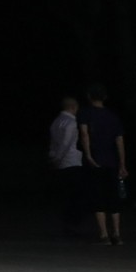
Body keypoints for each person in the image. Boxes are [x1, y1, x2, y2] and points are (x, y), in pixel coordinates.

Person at [78, 83, 128, 245]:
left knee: (98, 196)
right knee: (114, 197)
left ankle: (104, 234)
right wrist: (122, 163)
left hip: (96, 159)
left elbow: (84, 134)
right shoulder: (113, 116)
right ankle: (117, 234)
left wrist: (88, 155)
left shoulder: (85, 113)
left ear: (89, 96)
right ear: (105, 97)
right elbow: (119, 140)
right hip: (112, 160)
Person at [48, 94, 84, 236]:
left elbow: (54, 143)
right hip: (71, 161)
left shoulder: (56, 121)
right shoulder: (71, 122)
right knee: (76, 196)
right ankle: (72, 225)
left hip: (61, 164)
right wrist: (58, 158)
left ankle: (66, 224)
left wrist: (53, 157)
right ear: (73, 107)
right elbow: (66, 144)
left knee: (66, 195)